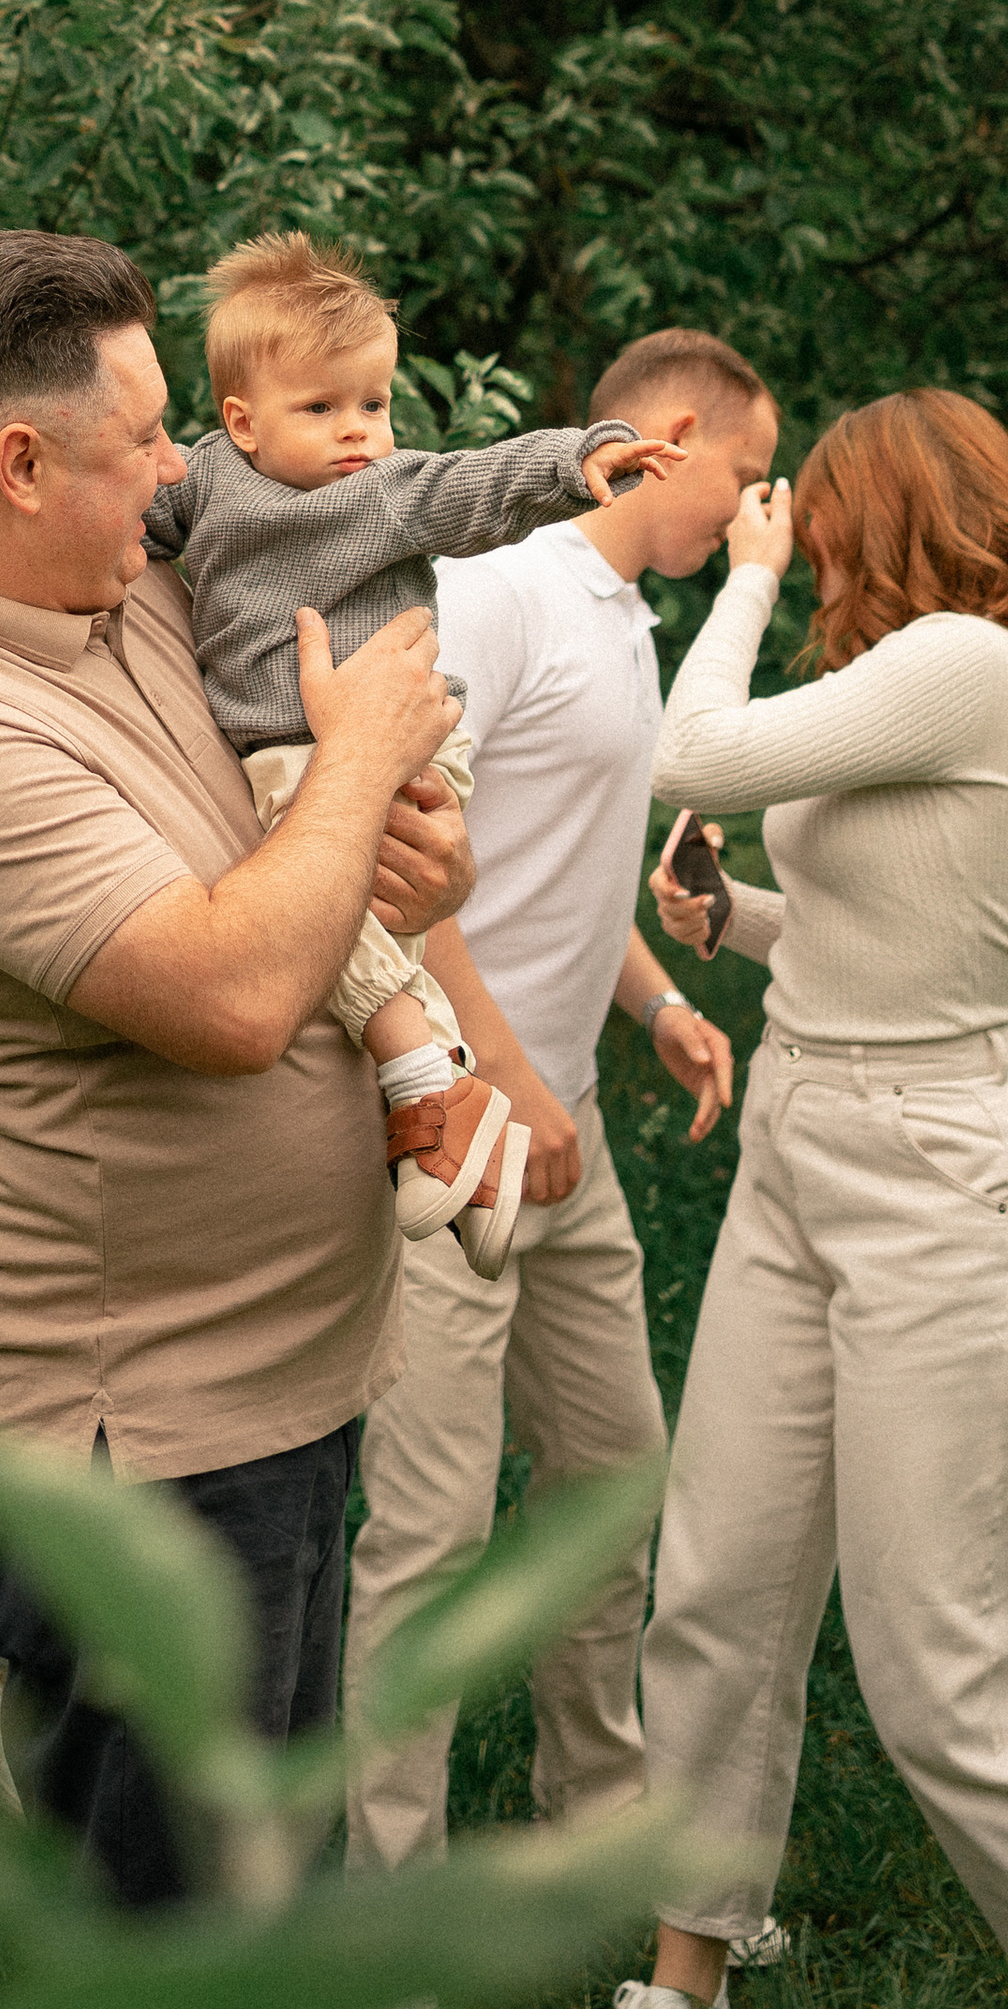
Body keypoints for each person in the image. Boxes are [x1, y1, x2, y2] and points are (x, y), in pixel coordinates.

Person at [0, 229, 472, 1908]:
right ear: (22, 465)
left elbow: (301, 864)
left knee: (267, 1893)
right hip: (136, 1443)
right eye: (148, 436)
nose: (184, 468)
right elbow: (236, 994)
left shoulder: (118, 587)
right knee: (178, 1931)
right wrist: (364, 766)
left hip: (269, 1388)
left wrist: (409, 855)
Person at [612, 391, 1008, 2009]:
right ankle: (687, 1980)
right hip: (803, 1142)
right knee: (720, 1589)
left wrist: (743, 579)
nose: (813, 552)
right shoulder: (912, 682)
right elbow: (897, 931)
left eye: (827, 525)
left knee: (945, 1682)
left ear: (899, 516)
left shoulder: (969, 664)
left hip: (935, 1183)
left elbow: (686, 754)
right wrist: (735, 916)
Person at [340, 327, 768, 1946]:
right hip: (459, 1128)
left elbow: (550, 865)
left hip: (562, 1118)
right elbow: (401, 862)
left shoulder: (628, 618)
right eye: (745, 472)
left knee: (612, 1480)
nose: (755, 507)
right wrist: (507, 1076)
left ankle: (601, 1843)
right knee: (432, 1536)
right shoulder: (506, 591)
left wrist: (654, 1006)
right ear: (672, 437)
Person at [143, 232, 680, 1273]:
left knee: (318, 899)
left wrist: (576, 460)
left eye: (374, 404)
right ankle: (463, 1126)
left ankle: (419, 1082)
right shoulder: (207, 479)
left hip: (373, 743)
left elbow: (474, 486)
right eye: (320, 408)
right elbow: (133, 513)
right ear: (241, 421)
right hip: (292, 747)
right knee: (362, 917)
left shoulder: (383, 490)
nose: (358, 431)